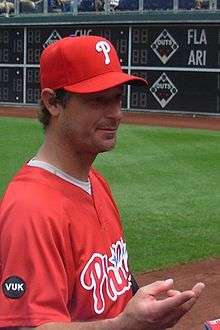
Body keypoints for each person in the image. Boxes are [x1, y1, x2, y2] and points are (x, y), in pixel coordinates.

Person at [0, 35, 205, 329]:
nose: (117, 114)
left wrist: (144, 305)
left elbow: (116, 285)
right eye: (98, 100)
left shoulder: (95, 181)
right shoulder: (31, 209)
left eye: (118, 98)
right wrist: (125, 324)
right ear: (53, 102)